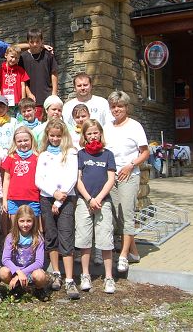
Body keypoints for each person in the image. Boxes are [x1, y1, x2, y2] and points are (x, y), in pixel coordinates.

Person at [103, 91, 149, 274]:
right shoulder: (107, 127)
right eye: (113, 106)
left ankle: (123, 255)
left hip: (128, 175)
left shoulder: (135, 126)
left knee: (127, 213)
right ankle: (134, 253)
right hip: (111, 176)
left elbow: (145, 152)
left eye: (120, 106)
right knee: (116, 215)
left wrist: (131, 165)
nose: (116, 109)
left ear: (126, 107)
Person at [35, 118, 79, 299]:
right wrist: (53, 193)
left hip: (66, 199)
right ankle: (56, 273)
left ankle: (69, 279)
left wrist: (59, 200)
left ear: (64, 136)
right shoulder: (43, 155)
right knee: (51, 235)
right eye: (52, 136)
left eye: (58, 136)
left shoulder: (71, 152)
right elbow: (39, 179)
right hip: (47, 197)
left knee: (66, 235)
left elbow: (72, 177)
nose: (55, 139)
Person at [75, 119, 117, 294]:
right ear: (84, 136)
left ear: (100, 133)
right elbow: (78, 180)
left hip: (103, 202)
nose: (93, 136)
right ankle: (85, 275)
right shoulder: (81, 154)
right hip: (84, 201)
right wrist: (89, 199)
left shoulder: (107, 154)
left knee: (105, 240)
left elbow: (111, 179)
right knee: (84, 239)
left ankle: (109, 277)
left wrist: (98, 198)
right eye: (89, 133)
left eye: (95, 133)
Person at [0, 205, 47, 300]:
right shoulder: (10, 237)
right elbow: (5, 259)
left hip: (31, 272)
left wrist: (22, 273)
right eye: (22, 221)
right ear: (17, 221)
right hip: (15, 271)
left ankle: (38, 289)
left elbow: (39, 262)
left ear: (34, 221)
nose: (25, 224)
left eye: (29, 221)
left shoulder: (38, 238)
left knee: (40, 275)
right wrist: (18, 273)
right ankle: (17, 287)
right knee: (3, 272)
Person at [2, 126, 41, 229]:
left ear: (31, 140)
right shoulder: (11, 157)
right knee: (15, 229)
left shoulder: (37, 157)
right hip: (14, 199)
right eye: (19, 141)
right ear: (15, 142)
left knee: (33, 229)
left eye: (26, 140)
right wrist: (5, 200)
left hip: (32, 198)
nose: (23, 143)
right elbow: (6, 180)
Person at [19, 28, 59, 120]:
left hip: (48, 95)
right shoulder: (23, 57)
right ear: (28, 42)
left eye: (37, 42)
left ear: (42, 41)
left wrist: (54, 92)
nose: (35, 44)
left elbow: (54, 73)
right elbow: (22, 79)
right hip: (32, 98)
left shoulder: (48, 55)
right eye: (32, 42)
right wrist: (29, 93)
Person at [0, 45, 29, 111]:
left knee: (19, 117)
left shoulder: (21, 70)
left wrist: (23, 99)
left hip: (18, 102)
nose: (14, 60)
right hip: (4, 102)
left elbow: (23, 86)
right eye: (12, 57)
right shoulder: (0, 71)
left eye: (17, 58)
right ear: (6, 55)